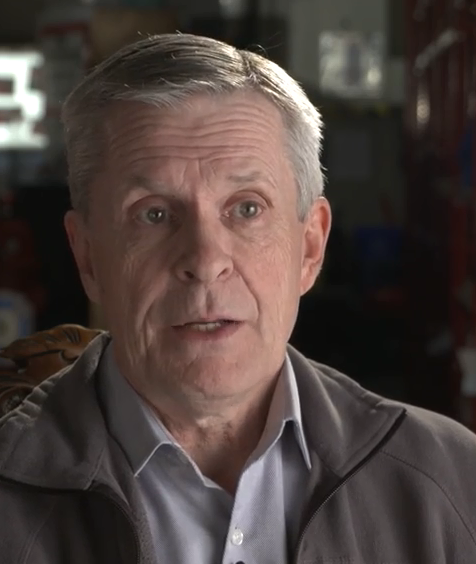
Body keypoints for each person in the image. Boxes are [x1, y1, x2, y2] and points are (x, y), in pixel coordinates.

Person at [0, 33, 475, 564]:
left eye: (246, 209)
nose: (205, 260)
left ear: (310, 247)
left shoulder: (454, 483)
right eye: (154, 213)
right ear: (88, 257)